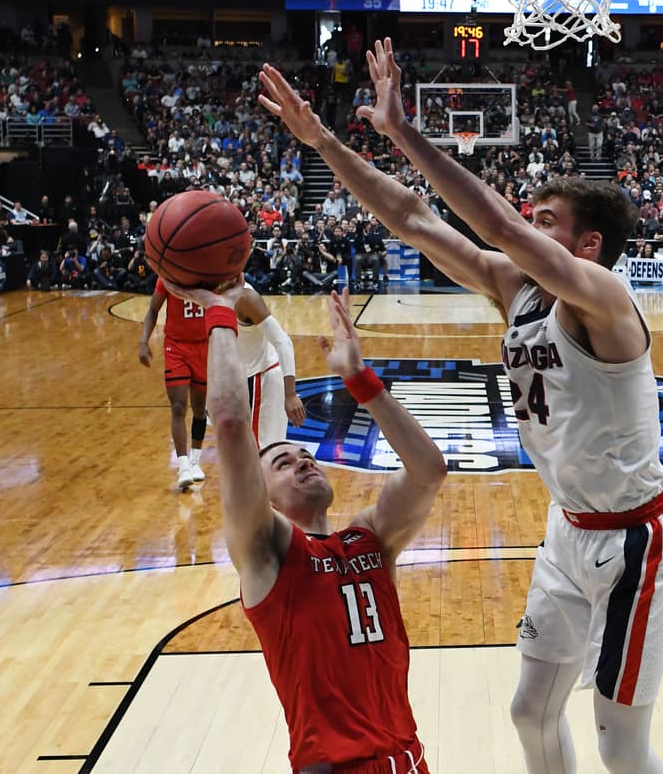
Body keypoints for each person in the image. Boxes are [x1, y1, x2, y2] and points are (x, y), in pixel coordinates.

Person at [259, 41, 663, 774]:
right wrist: (323, 141)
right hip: (568, 526)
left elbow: (496, 227)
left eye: (545, 219)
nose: (529, 222)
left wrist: (402, 131)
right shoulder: (514, 288)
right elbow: (412, 219)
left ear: (587, 245)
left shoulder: (606, 301)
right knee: (530, 711)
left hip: (636, 540)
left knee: (621, 746)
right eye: (532, 214)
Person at [163, 282, 443, 773]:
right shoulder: (269, 554)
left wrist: (360, 380)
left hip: (411, 760)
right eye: (283, 463)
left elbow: (429, 470)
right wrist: (223, 315)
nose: (302, 461)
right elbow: (229, 421)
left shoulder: (369, 538)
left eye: (306, 455)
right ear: (261, 497)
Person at [139, 277, 209, 490]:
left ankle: (196, 460)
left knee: (199, 409)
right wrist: (143, 340)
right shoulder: (167, 278)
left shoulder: (212, 275)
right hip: (176, 346)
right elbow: (153, 310)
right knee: (178, 406)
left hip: (203, 346)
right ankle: (183, 465)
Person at [234, 284, 307, 446]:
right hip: (240, 380)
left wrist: (290, 394)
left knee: (263, 452)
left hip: (261, 378)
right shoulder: (208, 292)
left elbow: (282, 341)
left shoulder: (245, 298)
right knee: (246, 453)